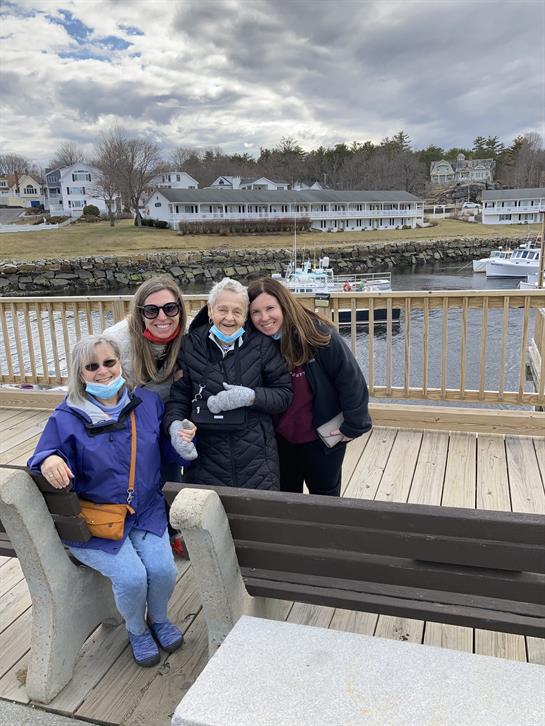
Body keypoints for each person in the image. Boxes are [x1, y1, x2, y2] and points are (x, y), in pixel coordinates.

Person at [28, 335, 196, 668]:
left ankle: (158, 619)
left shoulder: (147, 403)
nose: (103, 372)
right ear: (80, 374)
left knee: (162, 570)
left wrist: (179, 441)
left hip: (145, 510)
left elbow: (164, 452)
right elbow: (42, 456)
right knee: (132, 577)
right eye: (92, 366)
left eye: (109, 362)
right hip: (97, 520)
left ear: (120, 364)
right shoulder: (66, 417)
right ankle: (136, 630)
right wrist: (49, 459)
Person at [247, 277, 372, 497]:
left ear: (284, 305)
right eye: (255, 312)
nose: (264, 318)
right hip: (281, 438)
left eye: (270, 308)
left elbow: (350, 379)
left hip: (322, 437)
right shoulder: (254, 343)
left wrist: (353, 425)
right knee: (286, 496)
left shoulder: (318, 336)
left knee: (324, 497)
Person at [164, 277, 292, 489]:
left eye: (237, 311)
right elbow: (178, 399)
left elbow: (284, 394)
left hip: (257, 463)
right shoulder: (190, 346)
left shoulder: (262, 345)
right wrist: (175, 427)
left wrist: (251, 396)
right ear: (210, 310)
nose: (230, 318)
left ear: (245, 316)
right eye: (222, 310)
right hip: (205, 462)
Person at [104, 277, 195, 555]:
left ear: (180, 308)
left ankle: (172, 529)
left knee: (173, 471)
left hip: (171, 415)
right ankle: (131, 529)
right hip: (128, 420)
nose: (162, 317)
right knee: (139, 474)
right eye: (151, 310)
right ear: (139, 312)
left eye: (170, 308)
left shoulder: (190, 337)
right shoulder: (116, 343)